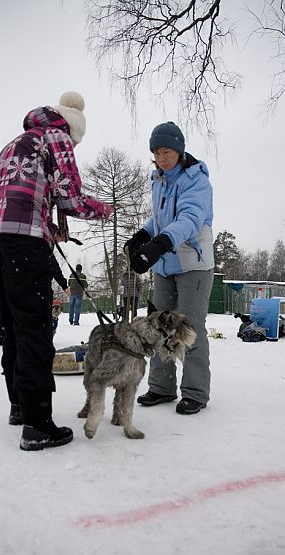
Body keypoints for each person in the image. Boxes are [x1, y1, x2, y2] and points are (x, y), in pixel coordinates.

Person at [0, 91, 113, 450]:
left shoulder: (16, 142)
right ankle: (38, 426)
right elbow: (70, 196)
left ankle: (19, 407)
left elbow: (22, 193)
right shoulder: (58, 135)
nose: (74, 145)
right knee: (35, 328)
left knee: (11, 325)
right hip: (24, 240)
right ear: (73, 128)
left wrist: (50, 228)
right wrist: (104, 209)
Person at [125, 121, 214, 415]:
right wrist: (143, 235)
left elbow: (189, 219)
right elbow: (162, 218)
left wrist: (160, 243)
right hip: (165, 268)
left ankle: (195, 392)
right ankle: (162, 388)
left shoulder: (195, 179)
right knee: (159, 326)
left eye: (168, 151)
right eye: (157, 152)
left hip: (193, 264)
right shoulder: (159, 179)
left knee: (189, 329)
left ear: (179, 150)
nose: (162, 157)